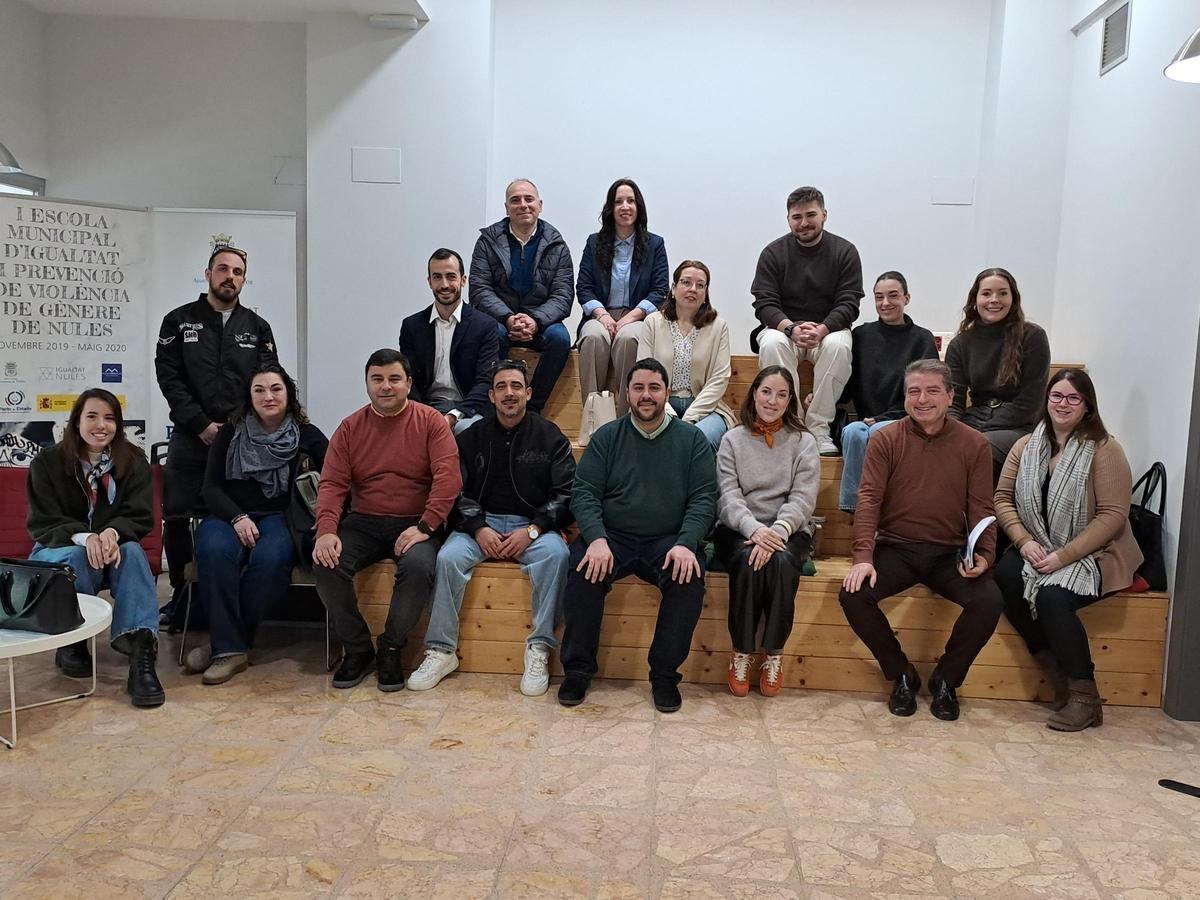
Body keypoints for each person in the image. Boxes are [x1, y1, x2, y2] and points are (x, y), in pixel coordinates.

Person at [838, 359, 1002, 721]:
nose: (922, 399)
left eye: (931, 391)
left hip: (949, 555)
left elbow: (982, 507)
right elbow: (868, 499)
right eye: (914, 391)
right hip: (896, 548)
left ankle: (947, 679)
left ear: (950, 396)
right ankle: (901, 674)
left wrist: (985, 555)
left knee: (989, 600)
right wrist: (863, 556)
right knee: (853, 594)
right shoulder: (885, 438)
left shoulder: (974, 444)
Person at [408, 359, 576, 696]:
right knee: (447, 558)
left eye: (516, 386)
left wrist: (533, 530)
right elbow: (455, 490)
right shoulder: (471, 437)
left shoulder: (550, 436)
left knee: (557, 556)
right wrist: (478, 528)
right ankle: (441, 651)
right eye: (502, 387)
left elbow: (566, 493)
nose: (509, 393)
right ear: (491, 395)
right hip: (478, 526)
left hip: (532, 530)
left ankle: (539, 648)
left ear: (528, 393)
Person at [559, 358, 717, 713]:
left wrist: (686, 543)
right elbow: (584, 493)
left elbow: (705, 499)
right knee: (583, 570)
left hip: (668, 539)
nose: (646, 396)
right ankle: (578, 670)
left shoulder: (692, 440)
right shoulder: (607, 437)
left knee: (688, 578)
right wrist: (596, 538)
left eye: (654, 388)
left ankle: (664, 676)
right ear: (627, 394)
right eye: (638, 388)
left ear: (668, 393)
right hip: (612, 536)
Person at [992, 369, 1142, 731]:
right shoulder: (1025, 446)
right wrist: (1024, 542)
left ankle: (1084, 695)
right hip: (1037, 544)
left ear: (1087, 406)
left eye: (1073, 398)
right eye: (1056, 396)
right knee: (1005, 577)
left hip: (1095, 553)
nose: (1063, 404)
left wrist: (1063, 556)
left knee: (1053, 597)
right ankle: (1054, 669)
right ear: (1046, 400)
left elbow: (1113, 517)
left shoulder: (1105, 450)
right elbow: (1002, 499)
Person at [312, 349, 462, 691]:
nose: (386, 387)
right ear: (366, 384)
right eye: (377, 379)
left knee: (421, 566)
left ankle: (391, 648)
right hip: (363, 521)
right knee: (325, 563)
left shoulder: (431, 423)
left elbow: (448, 479)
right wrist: (326, 531)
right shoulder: (350, 428)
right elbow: (333, 483)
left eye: (394, 379)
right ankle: (358, 649)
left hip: (416, 523)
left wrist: (426, 526)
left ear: (408, 383)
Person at [155, 245, 278, 617]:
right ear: (207, 274)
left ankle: (226, 596)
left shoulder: (257, 328)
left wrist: (233, 427)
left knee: (237, 514)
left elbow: (267, 383)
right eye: (222, 269)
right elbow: (170, 379)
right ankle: (181, 597)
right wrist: (201, 424)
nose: (230, 276)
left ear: (244, 279)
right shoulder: (177, 321)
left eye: (238, 271)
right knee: (177, 516)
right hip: (190, 438)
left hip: (241, 441)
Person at [186, 365, 329, 685]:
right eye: (260, 390)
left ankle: (226, 646)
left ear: (288, 395)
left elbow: (335, 478)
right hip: (230, 515)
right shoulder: (230, 433)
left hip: (282, 518)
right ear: (249, 398)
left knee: (270, 561)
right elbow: (211, 488)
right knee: (214, 551)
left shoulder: (307, 434)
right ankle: (231, 648)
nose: (268, 396)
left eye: (276, 389)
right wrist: (237, 518)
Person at [25, 388, 164, 708]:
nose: (101, 425)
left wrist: (112, 534)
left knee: (132, 553)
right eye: (92, 416)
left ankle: (141, 653)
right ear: (76, 421)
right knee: (75, 556)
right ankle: (72, 642)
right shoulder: (48, 461)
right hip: (57, 546)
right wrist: (86, 538)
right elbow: (43, 522)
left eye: (110, 418)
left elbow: (140, 516)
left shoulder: (134, 461)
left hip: (113, 548)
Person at [715, 366, 819, 697]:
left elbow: (803, 498)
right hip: (738, 528)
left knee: (783, 562)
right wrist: (755, 530)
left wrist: (777, 532)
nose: (772, 401)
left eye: (782, 394)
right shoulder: (732, 439)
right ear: (754, 393)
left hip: (788, 529)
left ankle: (774, 653)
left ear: (790, 402)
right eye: (766, 392)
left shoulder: (803, 442)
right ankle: (742, 652)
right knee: (748, 559)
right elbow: (728, 497)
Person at [751, 186, 863, 456]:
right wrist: (790, 328)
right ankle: (792, 426)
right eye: (796, 217)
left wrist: (823, 328)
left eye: (810, 215)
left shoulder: (845, 251)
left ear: (824, 215)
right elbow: (763, 302)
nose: (803, 223)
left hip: (828, 330)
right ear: (788, 219)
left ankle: (818, 428)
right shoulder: (773, 253)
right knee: (770, 343)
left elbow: (850, 302)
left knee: (840, 345)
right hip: (785, 329)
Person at [469, 179, 574, 413]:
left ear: (540, 204)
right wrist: (508, 318)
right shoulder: (487, 241)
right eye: (515, 200)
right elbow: (479, 289)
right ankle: (494, 407)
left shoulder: (556, 244)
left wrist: (535, 321)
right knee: (489, 334)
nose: (523, 205)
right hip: (500, 321)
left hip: (542, 323)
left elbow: (563, 294)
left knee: (560, 340)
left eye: (529, 199)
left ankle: (532, 408)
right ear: (506, 208)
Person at [838, 272, 940, 512]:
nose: (885, 303)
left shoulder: (922, 339)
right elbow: (849, 381)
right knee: (852, 432)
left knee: (877, 431)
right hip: (865, 420)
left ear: (907, 298)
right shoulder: (861, 336)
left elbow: (924, 393)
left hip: (905, 418)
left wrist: (883, 418)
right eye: (879, 297)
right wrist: (826, 398)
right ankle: (856, 509)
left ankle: (883, 507)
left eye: (893, 296)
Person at [946, 267, 1051, 482]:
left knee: (978, 449)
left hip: (1019, 426)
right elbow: (953, 401)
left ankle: (984, 513)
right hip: (974, 420)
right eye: (986, 293)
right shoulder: (960, 343)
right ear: (975, 299)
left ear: (1013, 298)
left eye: (1003, 293)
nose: (994, 299)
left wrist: (977, 431)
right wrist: (952, 429)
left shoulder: (1033, 337)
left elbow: (1029, 404)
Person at [576, 178, 670, 415]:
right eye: (618, 201)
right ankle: (592, 418)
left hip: (638, 317)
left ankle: (624, 418)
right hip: (601, 315)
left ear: (639, 207)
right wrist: (602, 315)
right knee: (592, 339)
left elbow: (660, 290)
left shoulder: (654, 244)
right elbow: (584, 287)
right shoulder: (594, 242)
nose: (625, 206)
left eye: (630, 201)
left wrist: (630, 318)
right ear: (610, 208)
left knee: (629, 339)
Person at [637, 260, 736, 451]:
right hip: (659, 405)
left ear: (706, 294)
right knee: (659, 440)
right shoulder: (652, 323)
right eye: (686, 282)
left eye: (700, 285)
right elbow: (644, 372)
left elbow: (719, 378)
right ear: (673, 288)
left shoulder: (718, 326)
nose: (693, 289)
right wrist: (669, 416)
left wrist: (690, 419)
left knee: (699, 440)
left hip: (706, 408)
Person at [400, 248, 500, 434]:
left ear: (463, 280)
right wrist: (426, 415)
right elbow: (409, 380)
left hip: (469, 410)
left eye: (451, 276)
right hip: (427, 408)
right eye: (437, 277)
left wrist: (453, 416)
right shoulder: (412, 326)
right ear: (429, 282)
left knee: (466, 431)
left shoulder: (485, 326)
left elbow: (485, 381)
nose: (444, 284)